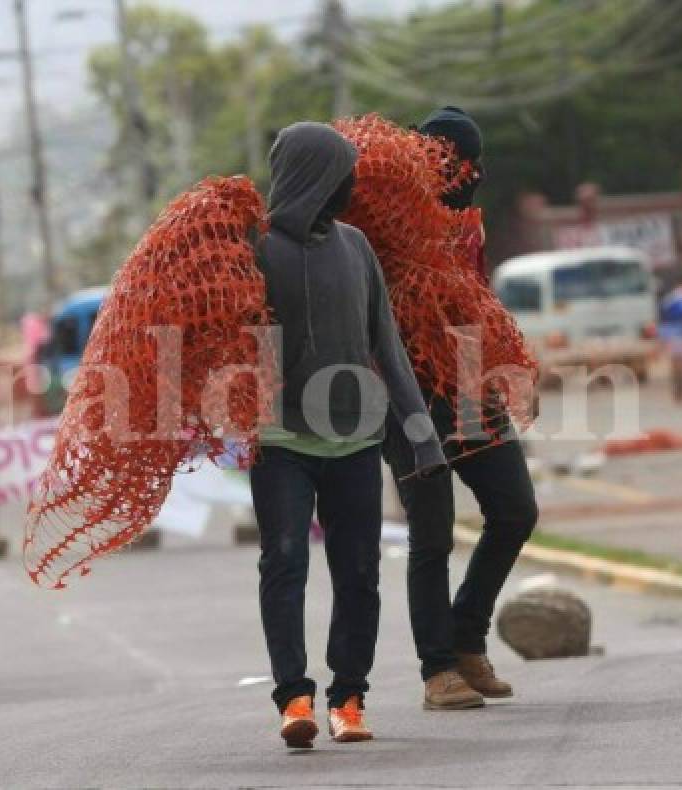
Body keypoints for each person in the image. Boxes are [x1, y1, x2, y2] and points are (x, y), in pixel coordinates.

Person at [254, 122, 447, 748]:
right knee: (284, 563)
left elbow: (385, 344)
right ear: (312, 177)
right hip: (280, 442)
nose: (348, 190)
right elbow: (221, 341)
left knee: (359, 571)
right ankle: (294, 699)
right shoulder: (253, 250)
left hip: (356, 441)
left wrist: (421, 434)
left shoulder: (357, 246)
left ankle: (349, 698)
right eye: (339, 176)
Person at [378, 107, 540, 711]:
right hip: (407, 393)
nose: (461, 174)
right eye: (448, 161)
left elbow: (478, 298)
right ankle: (438, 669)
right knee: (431, 533)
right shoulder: (385, 224)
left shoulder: (470, 223)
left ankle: (467, 638)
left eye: (467, 163)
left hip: (473, 385)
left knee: (515, 509)